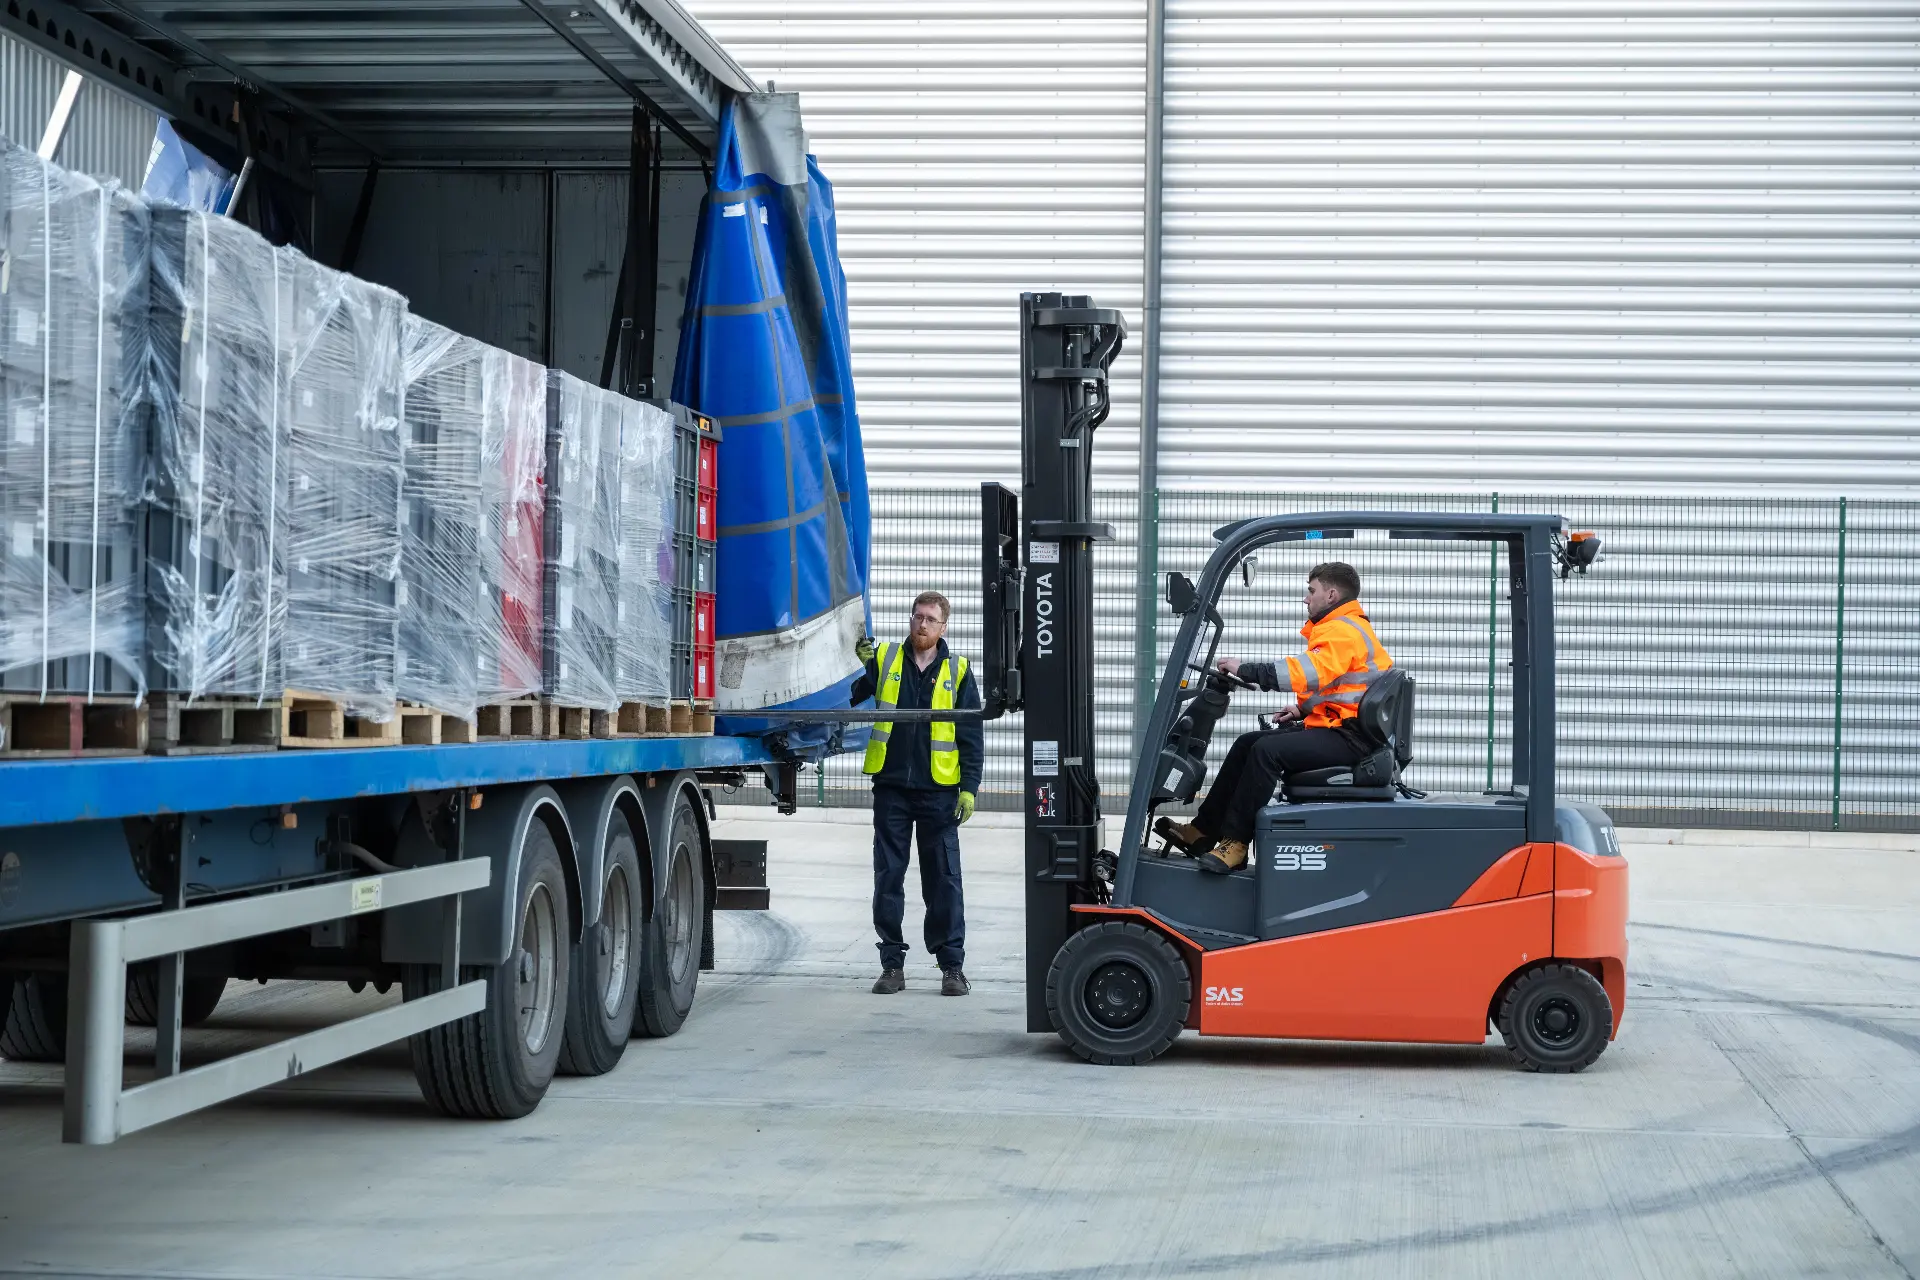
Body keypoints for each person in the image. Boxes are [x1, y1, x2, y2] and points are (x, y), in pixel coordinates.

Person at [1157, 562, 1393, 875]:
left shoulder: (1343, 631)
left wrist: (1246, 669)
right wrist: (1302, 710)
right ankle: (1203, 831)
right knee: (1247, 743)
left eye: (1311, 591)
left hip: (1351, 738)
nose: (1306, 599)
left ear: (1332, 595)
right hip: (1341, 727)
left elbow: (1301, 673)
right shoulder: (1346, 628)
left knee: (1266, 751)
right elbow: (1336, 685)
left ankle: (1236, 844)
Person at [850, 590, 984, 996]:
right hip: (891, 788)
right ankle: (892, 966)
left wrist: (969, 789)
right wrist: (857, 663)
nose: (921, 624)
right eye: (917, 616)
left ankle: (952, 968)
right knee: (888, 877)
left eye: (929, 619)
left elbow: (971, 736)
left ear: (943, 626)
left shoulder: (959, 671)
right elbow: (852, 695)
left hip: (939, 793)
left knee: (943, 880)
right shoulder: (886, 658)